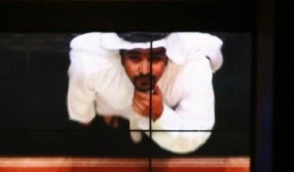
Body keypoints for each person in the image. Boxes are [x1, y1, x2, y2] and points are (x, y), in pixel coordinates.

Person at [66, 32, 223, 154]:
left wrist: (160, 115)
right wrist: (89, 115)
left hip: (165, 134)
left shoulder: (194, 67)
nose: (145, 70)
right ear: (120, 56)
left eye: (155, 58)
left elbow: (195, 136)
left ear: (168, 57)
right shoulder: (89, 63)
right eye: (134, 57)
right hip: (110, 120)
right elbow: (81, 109)